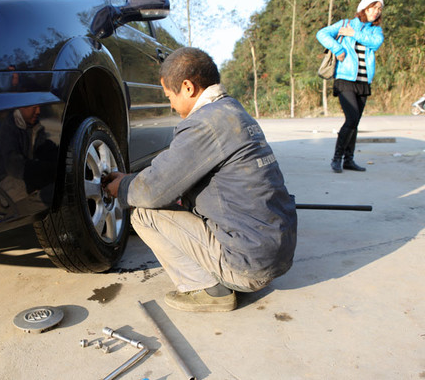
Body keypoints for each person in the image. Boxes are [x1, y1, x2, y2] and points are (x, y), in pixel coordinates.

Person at [103, 47, 297, 312]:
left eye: (169, 95)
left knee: (142, 213)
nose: (170, 104)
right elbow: (172, 174)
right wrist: (134, 178)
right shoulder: (232, 112)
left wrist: (122, 187)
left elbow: (153, 190)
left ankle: (209, 291)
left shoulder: (204, 123)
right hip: (277, 253)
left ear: (187, 87)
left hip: (248, 267)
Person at [317, 0, 385, 173]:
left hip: (363, 81)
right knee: (352, 118)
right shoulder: (345, 24)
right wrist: (338, 49)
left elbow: (376, 43)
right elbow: (322, 33)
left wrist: (354, 34)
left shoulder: (375, 31)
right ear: (364, 8)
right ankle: (336, 158)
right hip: (345, 79)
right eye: (373, 7)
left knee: (356, 122)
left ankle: (349, 159)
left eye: (379, 8)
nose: (376, 11)